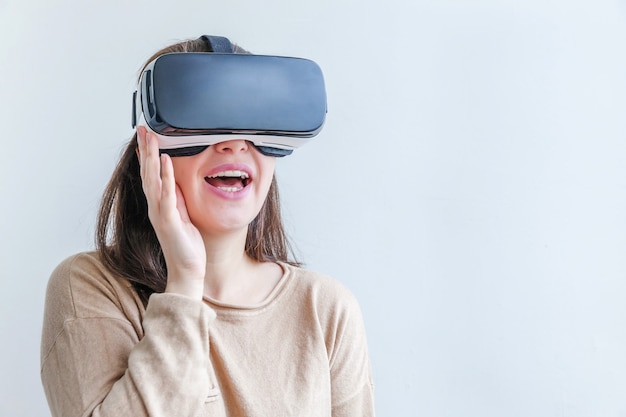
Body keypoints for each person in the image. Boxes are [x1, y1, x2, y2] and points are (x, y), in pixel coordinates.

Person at [40, 35, 375, 416]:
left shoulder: (326, 308)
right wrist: (184, 283)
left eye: (254, 124)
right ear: (148, 150)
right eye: (204, 121)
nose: (234, 144)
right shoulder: (91, 287)